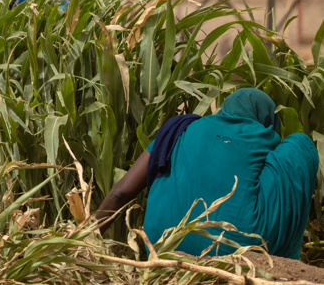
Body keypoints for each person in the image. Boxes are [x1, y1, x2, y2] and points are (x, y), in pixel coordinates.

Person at [95, 88, 319, 259]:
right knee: (300, 144)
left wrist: (82, 241)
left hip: (161, 247)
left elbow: (120, 193)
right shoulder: (264, 138)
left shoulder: (179, 129)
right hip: (234, 252)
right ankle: (284, 263)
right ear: (269, 120)